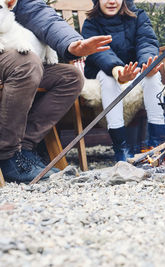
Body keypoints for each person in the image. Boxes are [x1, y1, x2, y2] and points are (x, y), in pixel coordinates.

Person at [0, 0, 112, 184]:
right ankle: (6, 154)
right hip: (8, 55)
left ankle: (23, 150)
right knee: (27, 63)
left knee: (70, 77)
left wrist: (72, 43)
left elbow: (40, 14)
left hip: (12, 52)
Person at [82, 0, 165, 162]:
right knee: (108, 79)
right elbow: (100, 53)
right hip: (104, 71)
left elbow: (146, 42)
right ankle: (121, 148)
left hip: (135, 69)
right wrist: (117, 71)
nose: (111, 1)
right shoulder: (91, 24)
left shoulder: (139, 17)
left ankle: (156, 144)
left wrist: (147, 65)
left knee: (154, 78)